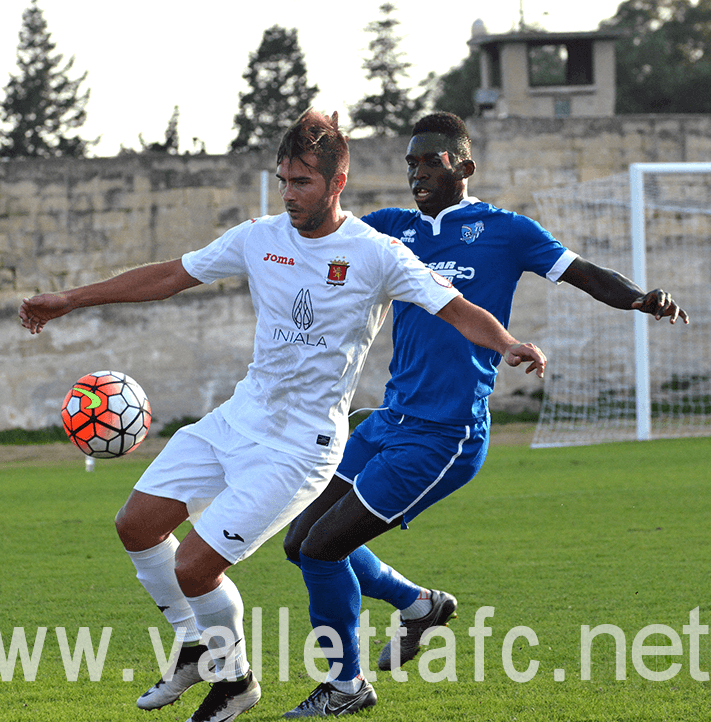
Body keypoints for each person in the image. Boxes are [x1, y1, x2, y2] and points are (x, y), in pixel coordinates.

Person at [18, 110, 547, 722]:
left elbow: (457, 309)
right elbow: (169, 276)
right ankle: (197, 648)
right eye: (284, 181)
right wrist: (68, 300)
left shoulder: (378, 254)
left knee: (194, 566)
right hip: (240, 417)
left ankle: (236, 681)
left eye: (303, 182)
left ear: (337, 180)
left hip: (301, 446)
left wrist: (506, 343)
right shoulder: (259, 238)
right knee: (136, 525)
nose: (290, 195)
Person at [281, 111, 689, 716]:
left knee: (322, 551)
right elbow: (319, 234)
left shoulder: (506, 231)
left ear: (464, 168)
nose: (419, 172)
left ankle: (346, 685)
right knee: (297, 543)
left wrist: (640, 298)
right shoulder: (390, 228)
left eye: (432, 161)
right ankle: (420, 607)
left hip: (445, 436)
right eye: (411, 162)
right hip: (386, 421)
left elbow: (582, 274)